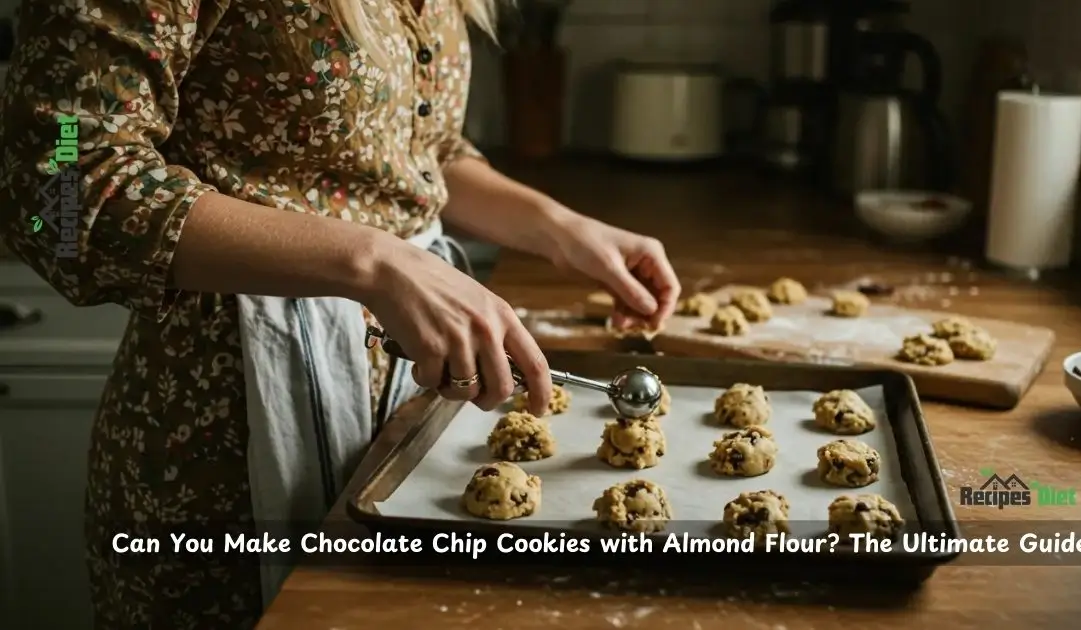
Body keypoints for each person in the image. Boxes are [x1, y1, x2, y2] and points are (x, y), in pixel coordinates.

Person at [0, 0, 681, 627]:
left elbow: (415, 150)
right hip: (224, 445)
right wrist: (376, 264)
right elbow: (61, 176)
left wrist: (558, 228)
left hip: (405, 418)